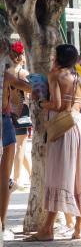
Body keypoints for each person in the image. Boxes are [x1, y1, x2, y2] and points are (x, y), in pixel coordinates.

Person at [27, 45, 81, 241]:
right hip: (79, 128)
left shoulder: (55, 75)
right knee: (79, 177)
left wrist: (40, 102)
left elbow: (58, 104)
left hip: (62, 130)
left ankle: (47, 229)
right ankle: (78, 227)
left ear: (59, 57)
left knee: (58, 177)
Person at [0, 41, 30, 237]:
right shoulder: (7, 75)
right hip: (4, 122)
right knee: (3, 177)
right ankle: (1, 224)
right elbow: (31, 89)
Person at [8, 42, 31, 191]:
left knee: (17, 147)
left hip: (9, 111)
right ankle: (17, 179)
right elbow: (29, 94)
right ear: (22, 56)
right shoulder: (24, 74)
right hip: (22, 111)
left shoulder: (6, 73)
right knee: (20, 146)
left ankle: (31, 174)